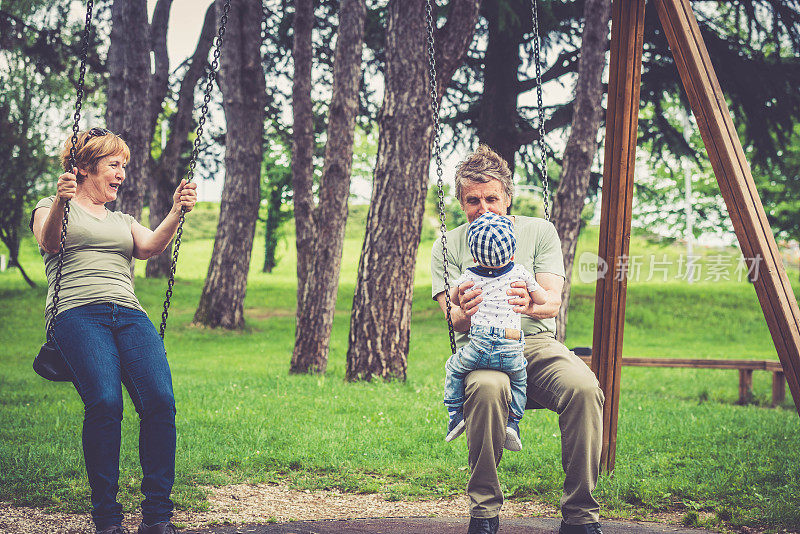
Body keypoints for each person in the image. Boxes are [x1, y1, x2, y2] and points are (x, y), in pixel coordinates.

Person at [30, 128, 197, 534]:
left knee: (160, 401)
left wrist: (176, 210)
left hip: (129, 314)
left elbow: (152, 246)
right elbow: (49, 242)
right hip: (76, 314)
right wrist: (61, 202)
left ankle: (158, 515)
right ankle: (107, 517)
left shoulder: (122, 219)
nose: (121, 173)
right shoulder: (51, 206)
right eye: (114, 165)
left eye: (124, 166)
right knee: (105, 403)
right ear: (84, 167)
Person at [431, 145, 605, 534]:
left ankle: (580, 516)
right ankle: (484, 513)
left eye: (492, 198)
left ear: (507, 198)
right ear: (461, 202)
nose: (484, 207)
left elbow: (552, 303)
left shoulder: (539, 231)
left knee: (584, 388)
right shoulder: (448, 244)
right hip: (481, 351)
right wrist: (465, 310)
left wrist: (529, 303)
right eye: (473, 200)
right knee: (487, 390)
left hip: (535, 344)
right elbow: (451, 317)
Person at [444, 211, 546, 452]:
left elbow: (452, 300)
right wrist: (530, 295)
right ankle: (513, 423)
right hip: (511, 348)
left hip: (478, 347)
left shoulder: (469, 275)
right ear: (512, 251)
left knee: (454, 368)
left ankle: (456, 414)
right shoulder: (520, 272)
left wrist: (462, 292)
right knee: (520, 381)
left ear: (474, 254)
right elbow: (542, 299)